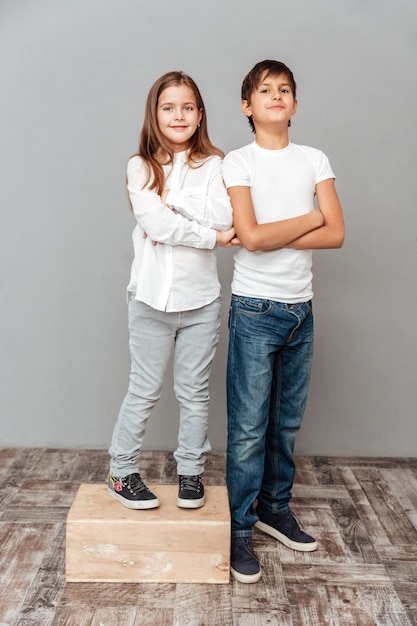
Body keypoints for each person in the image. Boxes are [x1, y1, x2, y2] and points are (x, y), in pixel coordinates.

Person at [222, 60, 345, 583]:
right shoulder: (238, 161)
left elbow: (336, 233)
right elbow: (248, 238)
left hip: (302, 312)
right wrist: (312, 216)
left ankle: (275, 509)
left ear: (295, 104)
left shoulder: (314, 158)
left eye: (285, 89)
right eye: (265, 90)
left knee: (285, 425)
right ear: (247, 106)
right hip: (254, 309)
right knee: (249, 429)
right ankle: (241, 530)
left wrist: (280, 230)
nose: (277, 95)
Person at [108, 71, 235, 511]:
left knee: (194, 393)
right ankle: (121, 472)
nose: (178, 115)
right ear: (155, 114)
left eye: (187, 107)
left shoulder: (218, 165)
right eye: (168, 107)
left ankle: (191, 475)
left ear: (200, 114)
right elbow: (156, 224)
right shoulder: (139, 166)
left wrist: (176, 209)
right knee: (143, 389)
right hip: (150, 300)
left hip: (200, 301)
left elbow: (225, 217)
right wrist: (208, 233)